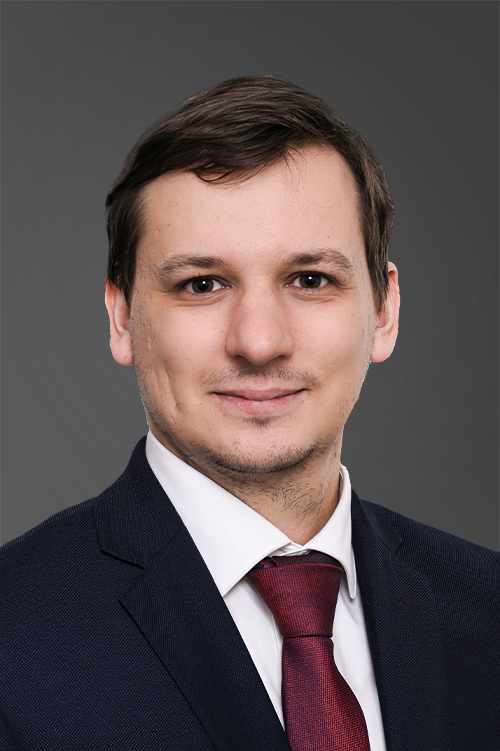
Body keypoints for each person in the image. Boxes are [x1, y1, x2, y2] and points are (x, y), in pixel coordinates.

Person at [0, 76, 498, 751]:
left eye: (310, 279)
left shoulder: (486, 605)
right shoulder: (13, 633)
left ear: (383, 311)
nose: (259, 341)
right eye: (201, 284)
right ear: (122, 317)